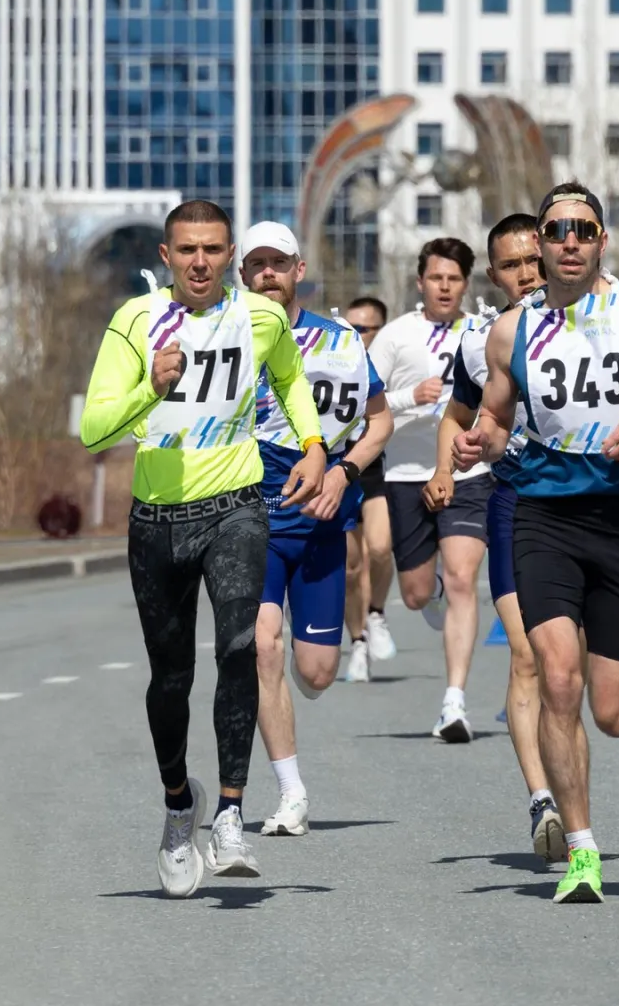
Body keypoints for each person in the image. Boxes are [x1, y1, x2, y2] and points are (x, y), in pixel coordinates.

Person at [455, 182, 619, 903]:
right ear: (539, 247)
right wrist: (479, 445)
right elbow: (497, 418)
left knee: (615, 713)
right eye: (556, 229)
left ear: (601, 241)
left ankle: (582, 821)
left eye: (582, 228)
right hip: (542, 517)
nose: (569, 240)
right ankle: (580, 848)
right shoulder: (510, 332)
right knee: (557, 676)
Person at [79, 200, 326, 899]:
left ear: (229, 256)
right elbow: (95, 430)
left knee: (242, 645)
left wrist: (312, 445)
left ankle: (229, 813)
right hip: (157, 517)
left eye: (213, 250)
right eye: (186, 250)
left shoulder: (262, 317)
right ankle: (176, 803)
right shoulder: (135, 321)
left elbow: (289, 379)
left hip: (237, 505)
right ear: (165, 256)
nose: (199, 263)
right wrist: (147, 387)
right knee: (171, 678)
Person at [240, 222, 392, 836]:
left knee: (318, 672)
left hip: (322, 517)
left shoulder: (340, 342)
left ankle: (320, 660)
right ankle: (290, 792)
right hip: (248, 517)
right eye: (257, 265)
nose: (268, 273)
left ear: (299, 270)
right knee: (262, 646)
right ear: (243, 275)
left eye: (280, 263)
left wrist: (343, 471)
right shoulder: (223, 340)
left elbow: (377, 423)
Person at [437, 212, 566, 861]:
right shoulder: (484, 340)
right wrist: (448, 460)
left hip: (587, 507)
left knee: (577, 673)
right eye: (512, 265)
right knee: (526, 654)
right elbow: (460, 414)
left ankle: (567, 783)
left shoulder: (599, 325)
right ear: (494, 274)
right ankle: (543, 801)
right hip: (512, 499)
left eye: (532, 260)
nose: (526, 274)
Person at [368, 238, 492, 741]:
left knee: (463, 578)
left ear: (466, 283)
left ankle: (454, 702)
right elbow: (362, 401)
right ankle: (433, 593)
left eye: (455, 278)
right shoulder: (396, 337)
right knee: (419, 594)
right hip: (406, 473)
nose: (445, 286)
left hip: (466, 472)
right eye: (436, 278)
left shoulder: (484, 332)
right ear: (421, 282)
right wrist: (407, 397)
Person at [337, 296, 399, 673]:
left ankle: (376, 614)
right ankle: (357, 642)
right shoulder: (335, 358)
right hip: (339, 470)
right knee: (349, 566)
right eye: (351, 327)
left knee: (380, 547)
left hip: (375, 470)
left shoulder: (387, 362)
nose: (357, 335)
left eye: (365, 328)